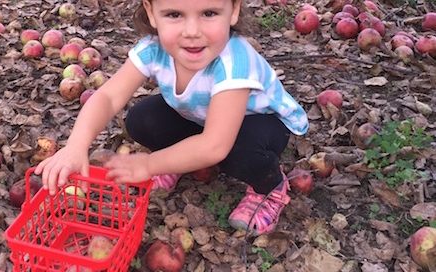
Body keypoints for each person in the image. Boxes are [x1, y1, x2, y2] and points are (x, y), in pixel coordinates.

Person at [34, 0, 309, 236]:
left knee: (236, 153)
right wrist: (76, 145)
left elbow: (216, 144)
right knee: (141, 119)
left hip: (261, 123)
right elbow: (108, 97)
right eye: (174, 14)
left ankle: (269, 187)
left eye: (209, 13)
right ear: (152, 13)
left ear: (233, 10)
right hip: (201, 118)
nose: (192, 32)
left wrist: (151, 164)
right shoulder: (154, 49)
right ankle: (179, 159)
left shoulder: (234, 61)